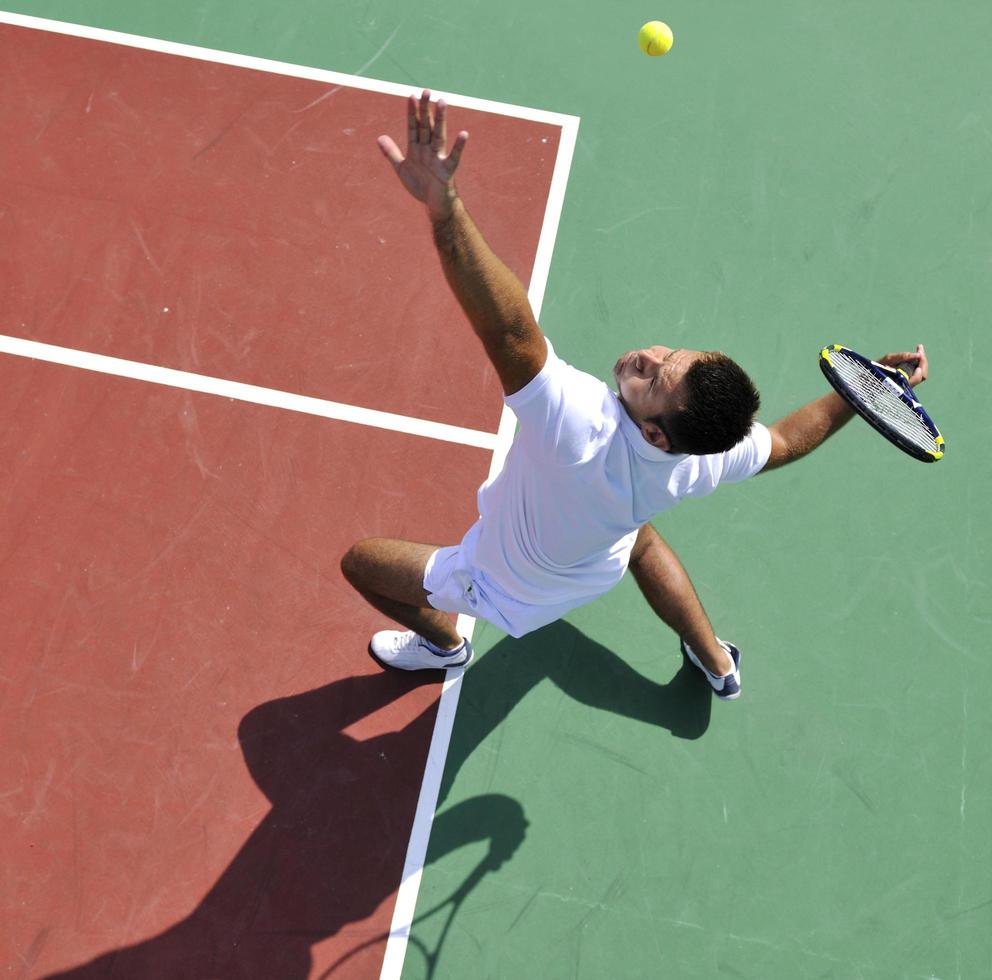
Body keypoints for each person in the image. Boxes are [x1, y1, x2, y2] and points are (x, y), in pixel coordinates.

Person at [340, 90, 929, 700]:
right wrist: (863, 395)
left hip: (505, 582)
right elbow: (782, 441)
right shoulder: (706, 451)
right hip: (597, 560)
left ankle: (446, 644)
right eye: (670, 354)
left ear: (654, 432)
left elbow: (511, 329)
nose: (645, 356)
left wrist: (445, 211)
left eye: (653, 378)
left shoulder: (577, 425)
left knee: (361, 563)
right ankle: (718, 664)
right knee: (641, 538)